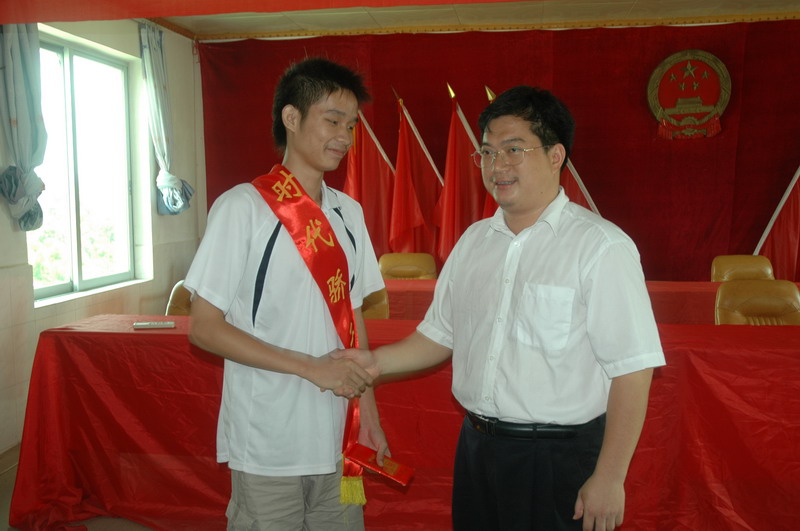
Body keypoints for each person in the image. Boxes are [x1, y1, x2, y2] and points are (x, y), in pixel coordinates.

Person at [338, 85, 666, 531]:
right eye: (488, 153)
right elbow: (439, 336)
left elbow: (632, 370)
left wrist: (609, 478)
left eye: (514, 150)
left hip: (558, 459)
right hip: (478, 448)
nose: (497, 166)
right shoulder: (473, 242)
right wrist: (371, 364)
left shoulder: (601, 247)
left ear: (555, 156)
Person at [185, 57, 388, 531]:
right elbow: (204, 328)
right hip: (268, 440)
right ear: (291, 118)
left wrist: (368, 413)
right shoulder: (242, 208)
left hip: (338, 435)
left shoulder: (350, 214)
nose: (344, 136)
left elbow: (353, 316)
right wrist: (310, 367)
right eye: (332, 120)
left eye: (351, 125)